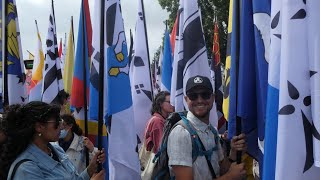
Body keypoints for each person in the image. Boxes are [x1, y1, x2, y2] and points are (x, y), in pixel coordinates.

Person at [167, 75, 247, 180]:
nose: (199, 100)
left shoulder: (211, 131)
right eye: (193, 96)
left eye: (205, 95)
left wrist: (233, 153)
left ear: (212, 98)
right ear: (186, 99)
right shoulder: (181, 133)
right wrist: (230, 177)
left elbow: (220, 170)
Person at [0, 101, 105, 180]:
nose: (61, 126)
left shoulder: (56, 149)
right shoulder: (27, 168)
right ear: (39, 127)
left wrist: (90, 169)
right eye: (56, 122)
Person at [139, 91, 174, 179]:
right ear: (160, 104)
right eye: (169, 102)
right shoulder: (158, 121)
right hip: (157, 169)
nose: (172, 104)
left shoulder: (157, 119)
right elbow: (161, 149)